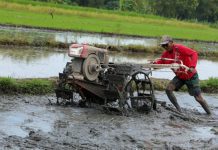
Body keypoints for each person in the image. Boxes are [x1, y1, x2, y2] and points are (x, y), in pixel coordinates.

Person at [154, 35, 211, 115]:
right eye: (163, 46)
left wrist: (192, 66)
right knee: (168, 90)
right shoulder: (165, 55)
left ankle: (209, 113)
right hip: (180, 76)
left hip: (190, 75)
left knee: (198, 98)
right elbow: (160, 63)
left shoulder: (179, 48)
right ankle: (179, 110)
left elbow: (194, 53)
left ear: (171, 43)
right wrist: (153, 64)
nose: (165, 47)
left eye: (166, 45)